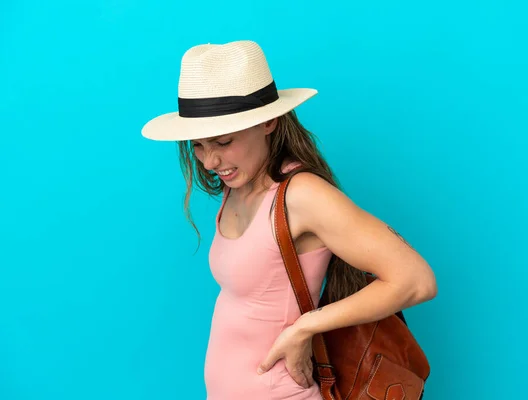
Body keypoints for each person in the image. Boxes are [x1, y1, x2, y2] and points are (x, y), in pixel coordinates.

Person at [142, 40, 437, 400]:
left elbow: (416, 280)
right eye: (199, 146)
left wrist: (305, 327)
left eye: (222, 141)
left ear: (268, 122)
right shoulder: (237, 185)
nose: (209, 162)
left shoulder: (301, 195)